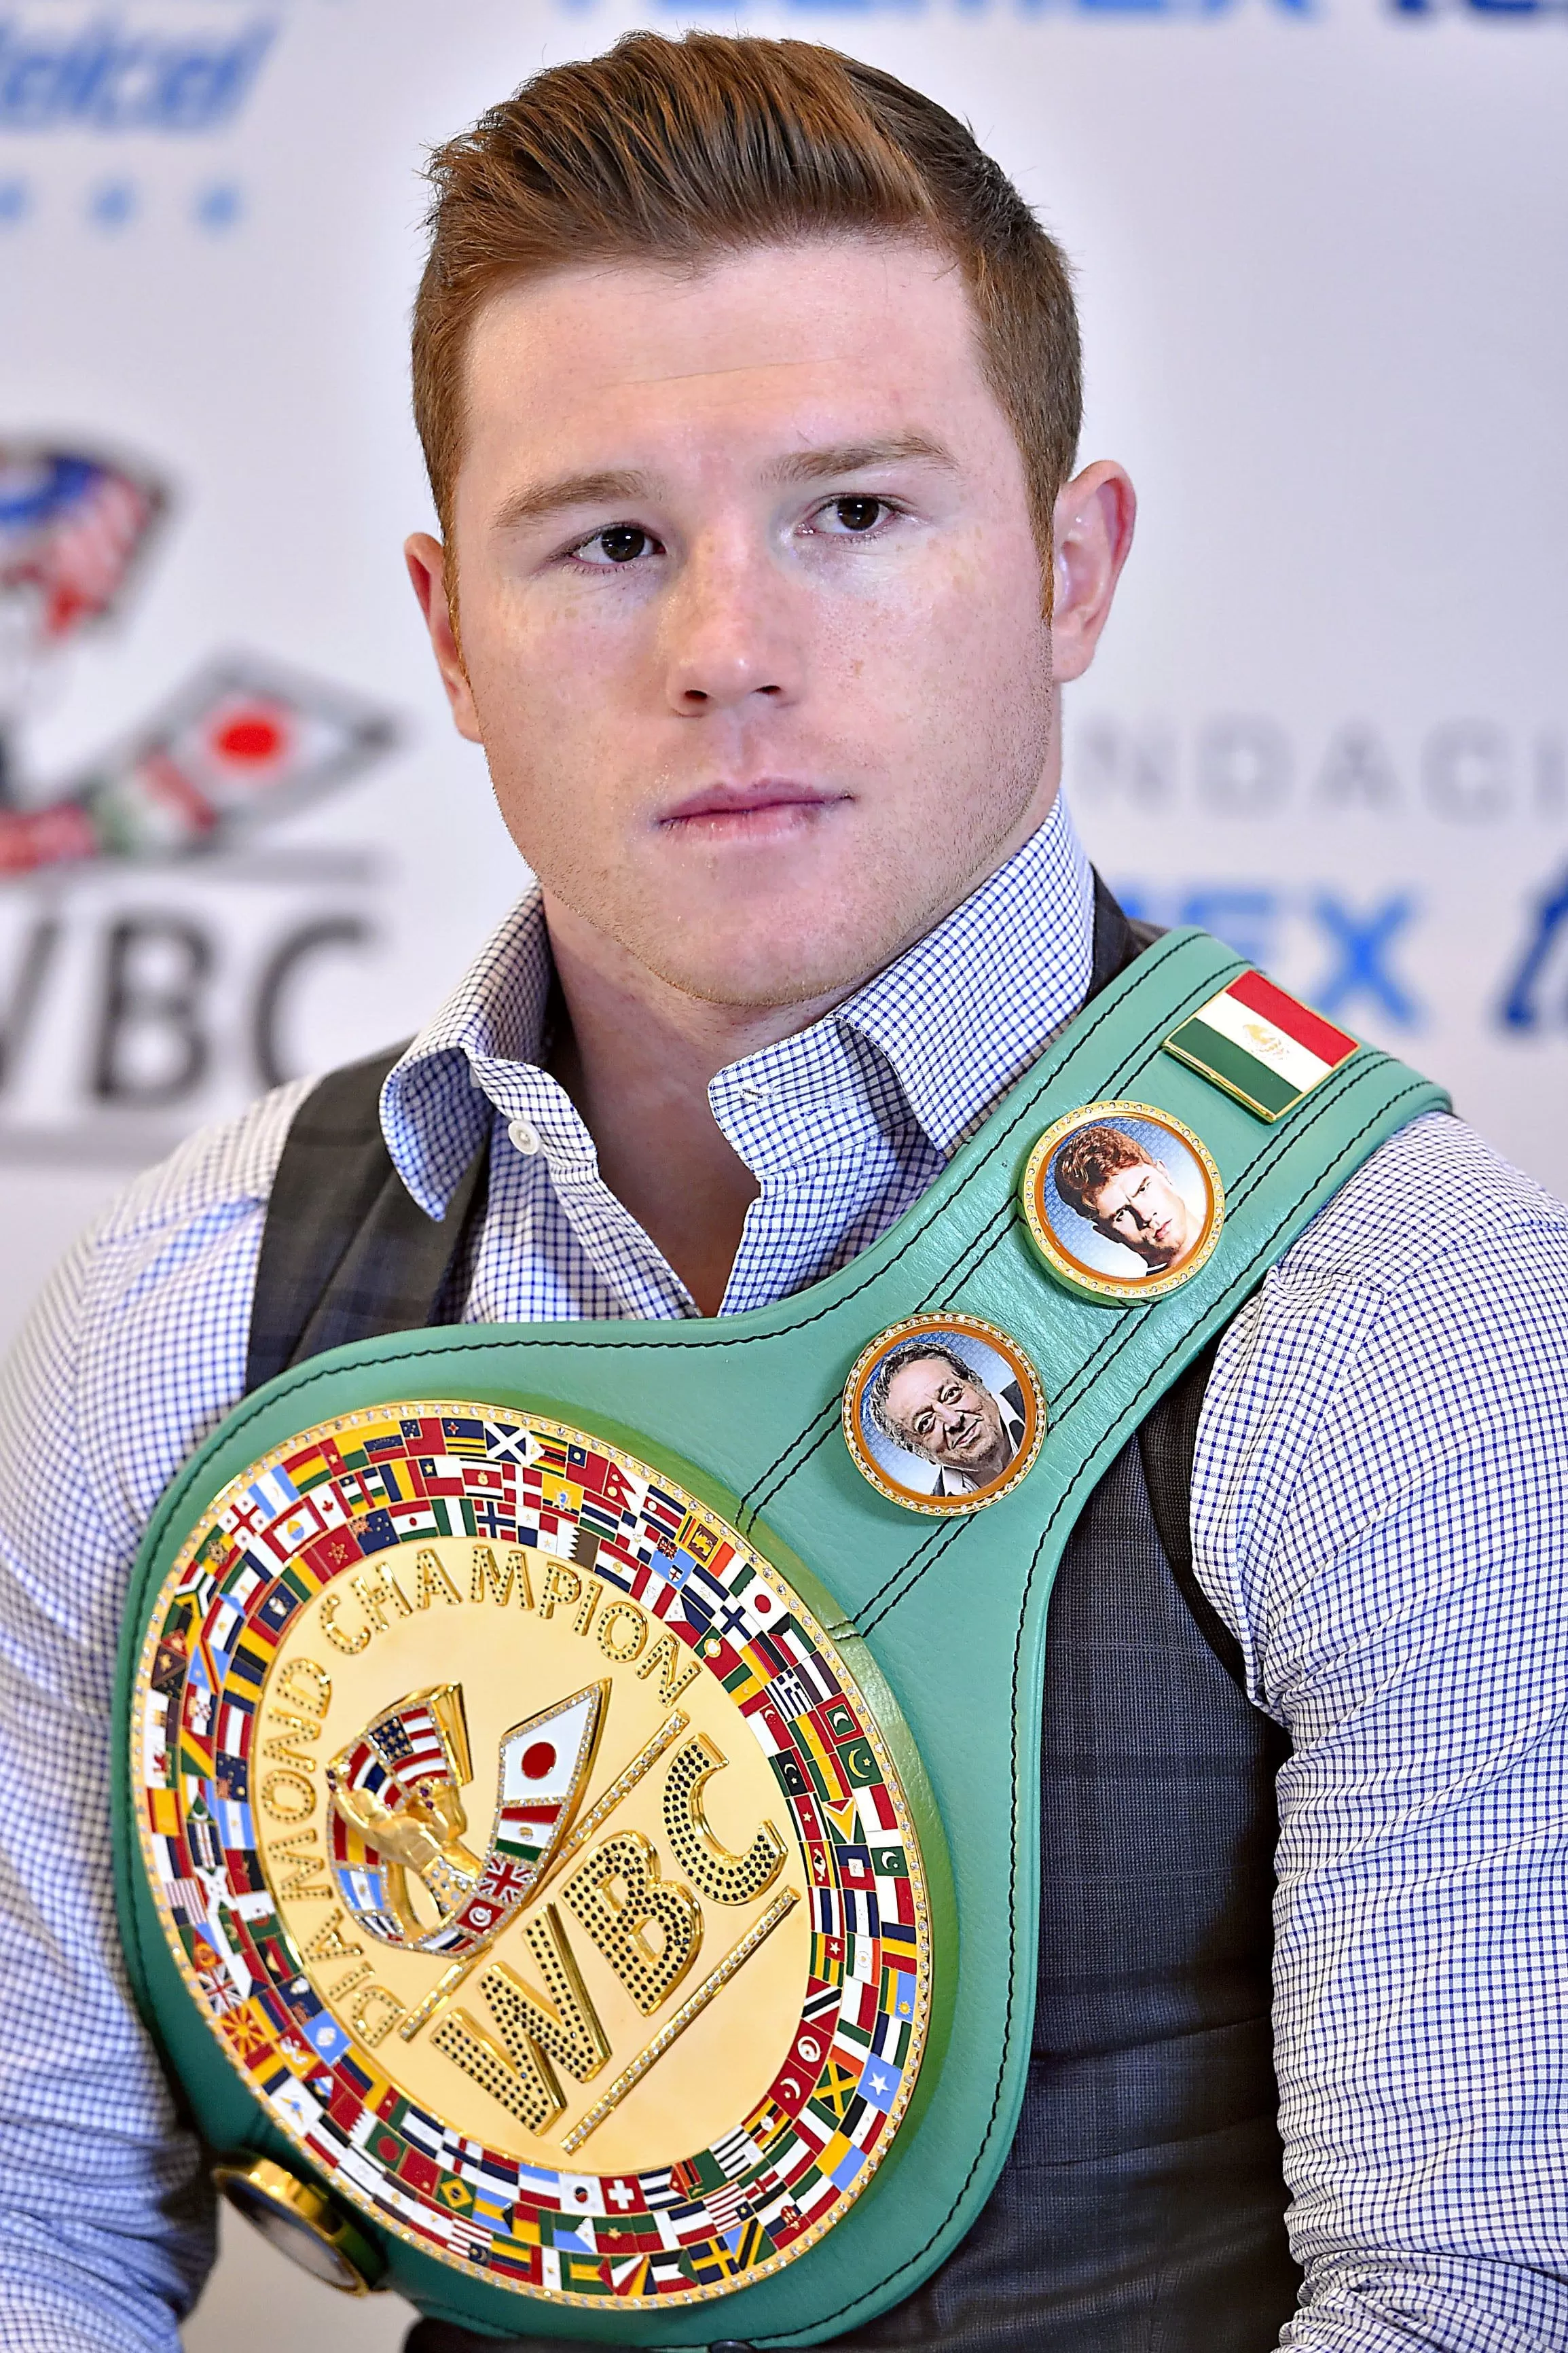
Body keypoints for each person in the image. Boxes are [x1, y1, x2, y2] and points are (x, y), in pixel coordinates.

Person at [0, 28, 1564, 2353]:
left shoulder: (1395, 1312)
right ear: (444, 629)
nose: (725, 647)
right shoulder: (189, 1311)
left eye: (851, 511)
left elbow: (1460, 2305)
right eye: (607, 540)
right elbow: (43, 2219)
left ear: (1063, 563)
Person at [864, 1338, 1025, 1494]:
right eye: (926, 1422)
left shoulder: (1039, 1392)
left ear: (976, 1383)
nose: (954, 1420)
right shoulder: (939, 1515)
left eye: (951, 1394)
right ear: (917, 1450)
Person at [1053, 1121, 1198, 1274]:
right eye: (1121, 1215)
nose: (1145, 1216)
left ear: (1163, 1173)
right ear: (1108, 1234)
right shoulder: (1145, 1297)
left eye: (1143, 1189)